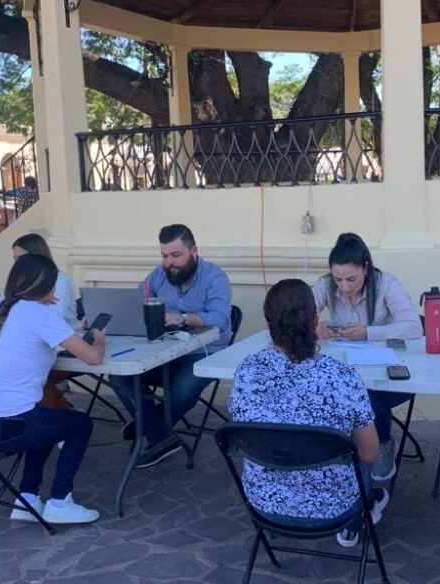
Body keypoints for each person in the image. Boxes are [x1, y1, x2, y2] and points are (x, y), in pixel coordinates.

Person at [229, 279, 389, 547]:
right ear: (316, 319)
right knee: (363, 463)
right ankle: (362, 512)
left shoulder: (246, 372)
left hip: (264, 503)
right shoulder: (342, 376)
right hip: (333, 507)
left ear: (268, 324)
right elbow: (370, 453)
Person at [0, 254, 106, 524]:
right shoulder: (39, 314)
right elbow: (93, 358)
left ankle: (26, 498)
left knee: (45, 419)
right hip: (7, 427)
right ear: (49, 287)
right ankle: (61, 501)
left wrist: (42, 303)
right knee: (79, 424)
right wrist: (98, 339)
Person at [106, 224, 232, 468]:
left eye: (176, 255)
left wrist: (183, 318)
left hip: (203, 353)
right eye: (164, 256)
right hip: (163, 351)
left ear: (193, 251)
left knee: (182, 390)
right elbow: (137, 300)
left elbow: (221, 318)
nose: (169, 263)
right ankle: (159, 435)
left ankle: (148, 423)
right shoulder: (158, 274)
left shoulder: (214, 277)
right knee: (119, 376)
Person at [312, 232, 422, 481]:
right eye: (338, 279)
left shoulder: (386, 285)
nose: (344, 287)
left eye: (351, 279)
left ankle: (382, 444)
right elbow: (297, 316)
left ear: (366, 269)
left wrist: (368, 333)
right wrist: (314, 328)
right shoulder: (325, 284)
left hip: (390, 375)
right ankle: (331, 450)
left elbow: (414, 328)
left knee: (365, 393)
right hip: (346, 370)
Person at [12, 233, 77, 409]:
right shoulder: (19, 283)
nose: (18, 265)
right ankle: (61, 413)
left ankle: (55, 417)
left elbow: (51, 319)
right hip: (35, 347)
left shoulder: (60, 281)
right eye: (15, 259)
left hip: (63, 348)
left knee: (34, 371)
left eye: (21, 258)